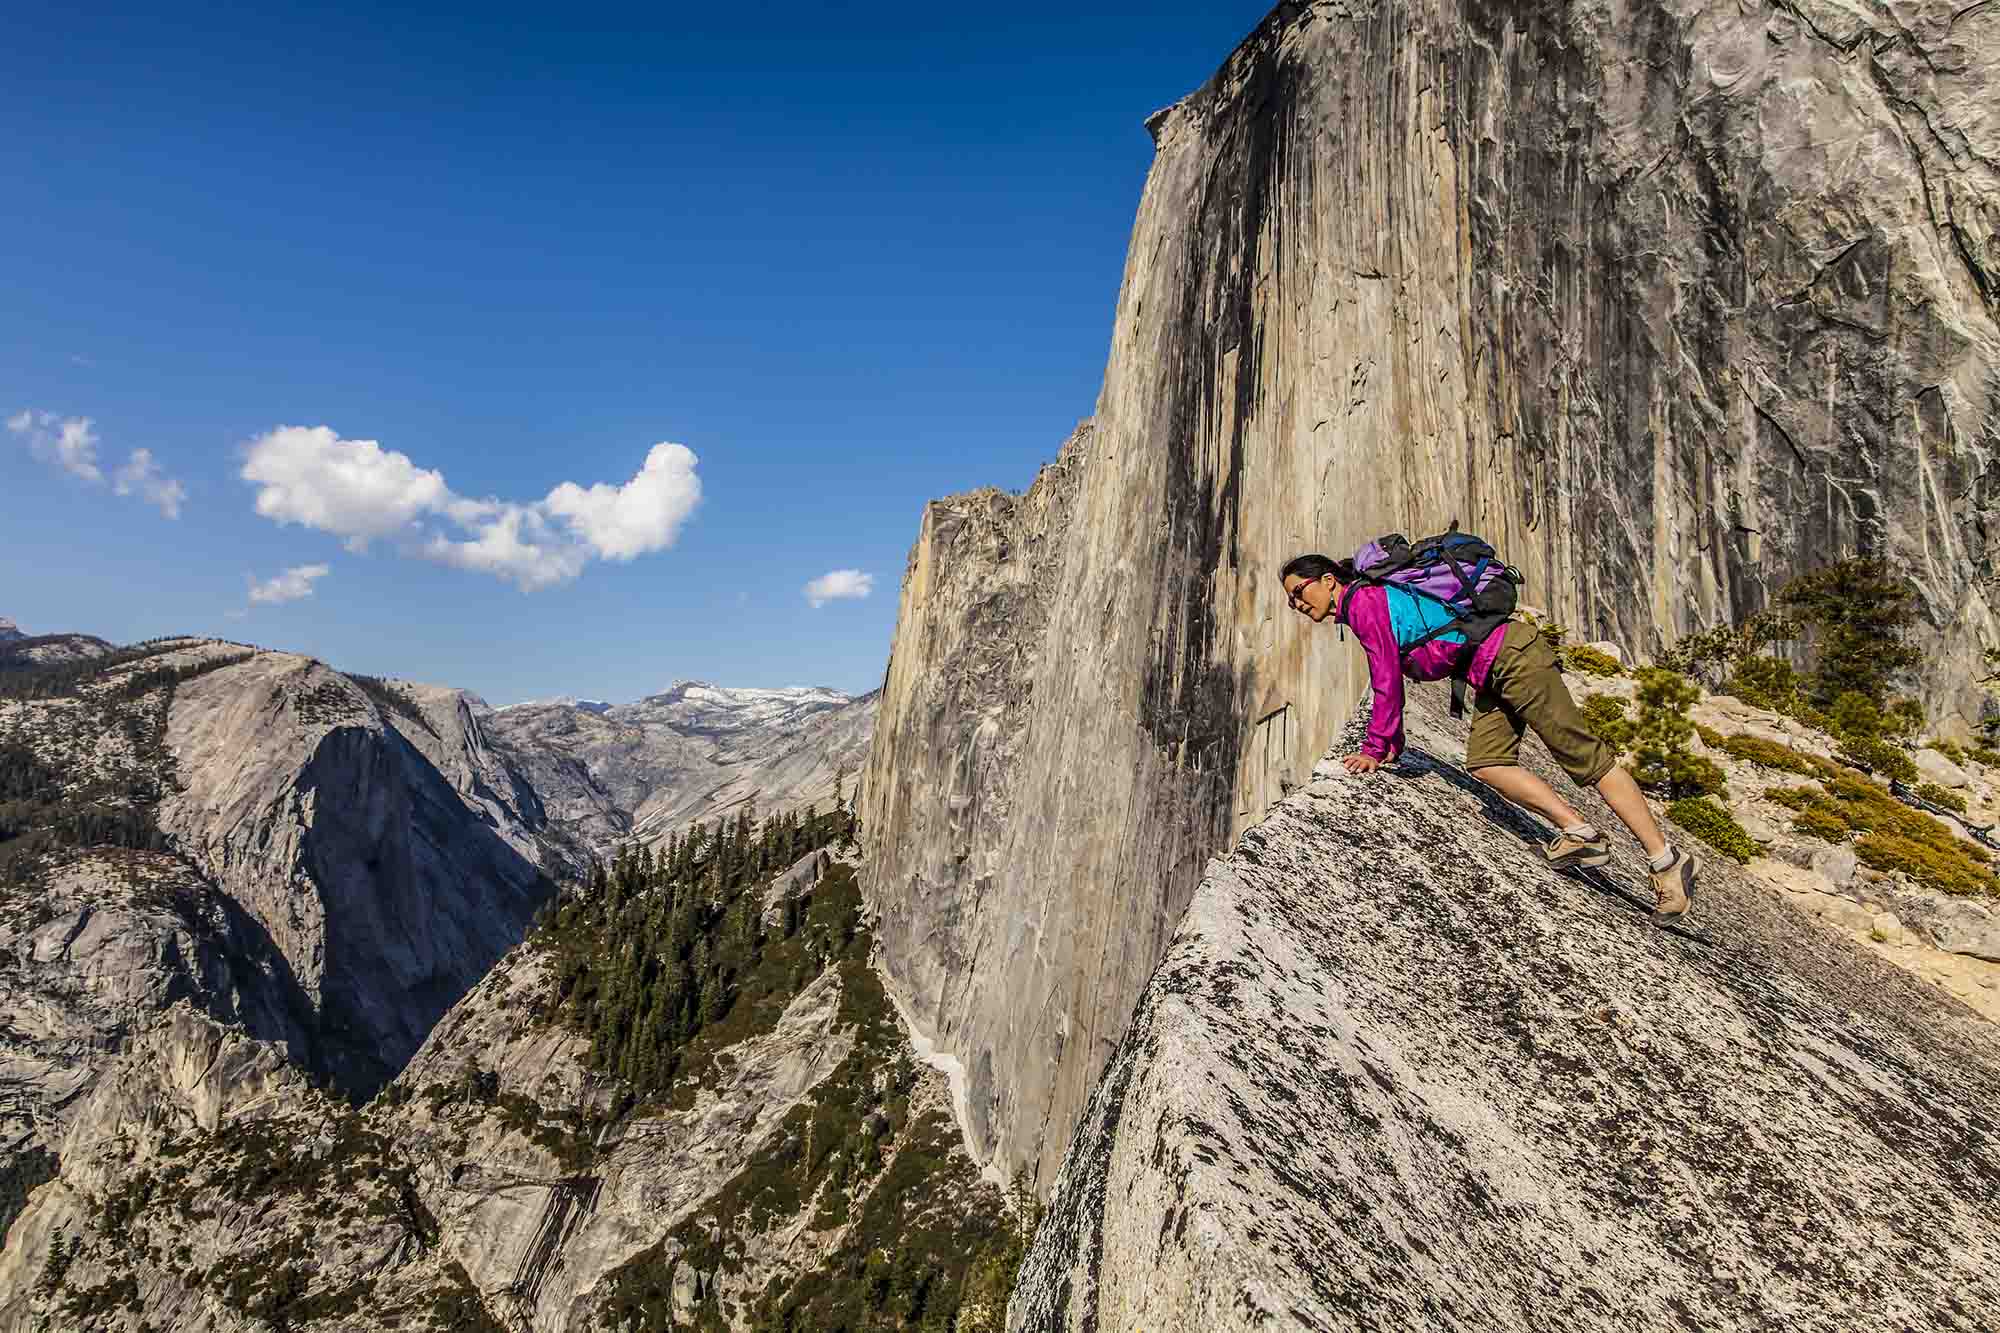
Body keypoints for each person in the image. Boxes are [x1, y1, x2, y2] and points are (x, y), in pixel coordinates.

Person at [1279, 552, 1696, 919]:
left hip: (1512, 657)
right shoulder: (1365, 603)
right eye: (1291, 599)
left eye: (1300, 591)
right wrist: (1393, 745)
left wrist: (1374, 748)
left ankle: (1665, 859)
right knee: (1487, 761)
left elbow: (1385, 677)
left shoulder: (1364, 603)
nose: (1298, 603)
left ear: (1329, 581)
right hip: (1489, 670)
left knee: (1585, 759)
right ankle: (1581, 834)